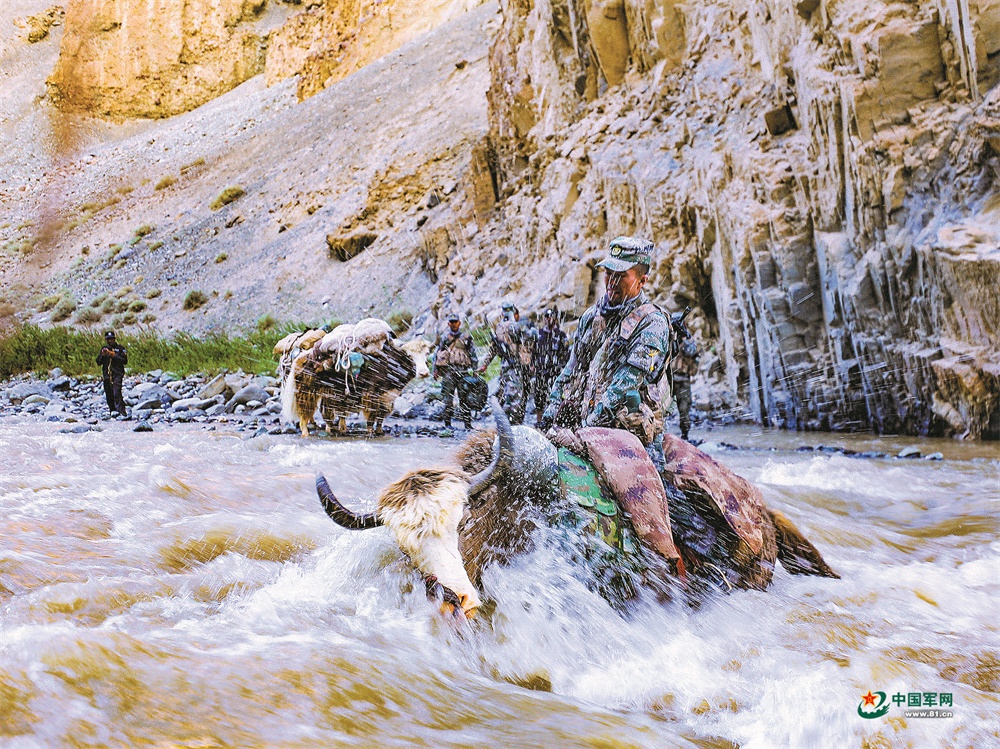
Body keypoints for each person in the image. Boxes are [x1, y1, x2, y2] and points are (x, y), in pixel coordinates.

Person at [540, 236, 672, 449]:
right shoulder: (592, 317)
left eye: (621, 276)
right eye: (608, 273)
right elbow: (573, 368)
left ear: (642, 281)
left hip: (634, 436)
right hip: (589, 424)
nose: (611, 282)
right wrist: (552, 408)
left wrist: (586, 429)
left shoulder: (652, 323)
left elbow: (625, 384)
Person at [479, 303, 528, 425]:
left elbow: (493, 349)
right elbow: (526, 344)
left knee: (508, 392)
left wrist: (485, 364)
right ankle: (512, 423)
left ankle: (507, 420)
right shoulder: (516, 326)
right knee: (515, 395)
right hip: (515, 365)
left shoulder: (499, 328)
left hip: (506, 365)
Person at [432, 313, 478, 430]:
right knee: (448, 399)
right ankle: (448, 424)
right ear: (448, 324)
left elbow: (472, 354)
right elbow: (437, 354)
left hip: (463, 372)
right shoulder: (444, 338)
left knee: (465, 399)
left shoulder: (466, 338)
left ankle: (468, 425)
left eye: (455, 322)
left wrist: (475, 370)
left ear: (459, 323)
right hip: (448, 373)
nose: (453, 324)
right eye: (451, 322)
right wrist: (435, 370)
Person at [532, 309, 569, 426]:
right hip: (540, 371)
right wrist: (532, 364)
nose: (549, 319)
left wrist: (562, 369)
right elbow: (534, 351)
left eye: (551, 316)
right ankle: (539, 422)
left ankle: (553, 422)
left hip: (554, 372)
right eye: (547, 316)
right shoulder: (539, 334)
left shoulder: (561, 335)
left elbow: (566, 354)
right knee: (539, 397)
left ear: (555, 319)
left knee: (553, 396)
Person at [670, 312, 699, 441]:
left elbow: (691, 352)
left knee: (684, 410)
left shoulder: (688, 341)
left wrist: (683, 338)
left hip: (682, 380)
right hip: (669, 380)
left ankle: (685, 436)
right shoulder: (668, 338)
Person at [96, 330, 128, 418]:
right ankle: (112, 411)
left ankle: (121, 411)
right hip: (107, 375)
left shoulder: (120, 348)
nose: (110, 341)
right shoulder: (104, 349)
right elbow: (98, 362)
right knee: (109, 393)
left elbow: (124, 361)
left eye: (111, 339)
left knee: (116, 392)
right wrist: (103, 355)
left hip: (117, 374)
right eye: (108, 339)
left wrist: (113, 355)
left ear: (114, 339)